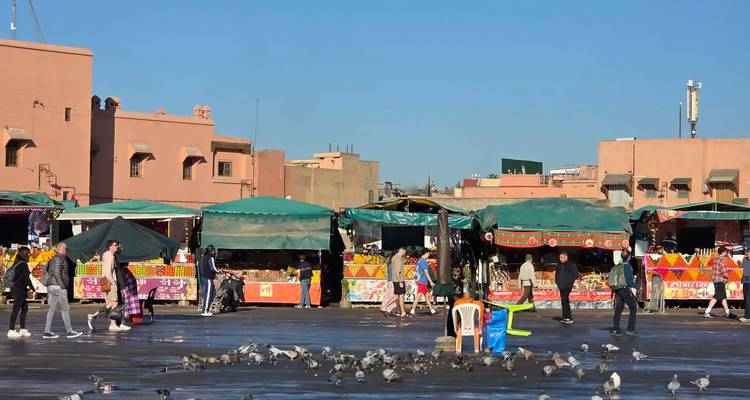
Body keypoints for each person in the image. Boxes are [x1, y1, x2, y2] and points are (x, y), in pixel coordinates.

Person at [43, 243, 82, 339]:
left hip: (53, 287)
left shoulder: (56, 258)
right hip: (58, 287)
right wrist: (63, 286)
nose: (66, 251)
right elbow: (57, 273)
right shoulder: (58, 259)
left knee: (52, 310)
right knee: (65, 309)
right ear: (61, 249)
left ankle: (47, 332)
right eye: (66, 249)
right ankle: (69, 331)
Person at [88, 240, 128, 332]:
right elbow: (108, 271)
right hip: (110, 281)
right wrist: (112, 283)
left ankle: (93, 317)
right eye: (115, 245)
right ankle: (113, 324)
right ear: (110, 246)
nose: (117, 246)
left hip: (106, 281)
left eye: (117, 245)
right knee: (115, 302)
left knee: (110, 304)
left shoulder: (107, 255)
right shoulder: (110, 256)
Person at [8, 246, 34, 338]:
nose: (29, 255)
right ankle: (11, 330)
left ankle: (22, 329)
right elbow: (26, 278)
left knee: (25, 308)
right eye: (28, 253)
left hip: (17, 288)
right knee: (16, 309)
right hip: (19, 289)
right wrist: (32, 288)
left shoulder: (17, 263)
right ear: (24, 254)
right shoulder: (23, 264)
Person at [610, 249, 638, 336]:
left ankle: (616, 329)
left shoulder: (618, 265)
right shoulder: (627, 267)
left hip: (617, 289)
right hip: (625, 289)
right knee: (633, 307)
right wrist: (637, 286)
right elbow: (629, 281)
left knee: (618, 309)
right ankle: (630, 329)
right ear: (629, 257)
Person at [705, 246, 732, 319]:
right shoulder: (722, 260)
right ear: (724, 252)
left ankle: (727, 312)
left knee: (723, 297)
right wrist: (728, 277)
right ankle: (707, 311)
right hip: (720, 280)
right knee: (716, 296)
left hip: (715, 279)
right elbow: (723, 271)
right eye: (726, 252)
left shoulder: (715, 259)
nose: (726, 253)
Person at [409, 248, 437, 316]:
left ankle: (432, 310)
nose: (429, 255)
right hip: (423, 281)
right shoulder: (423, 261)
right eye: (429, 253)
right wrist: (431, 282)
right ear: (426, 253)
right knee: (418, 296)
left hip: (420, 281)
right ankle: (412, 311)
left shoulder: (419, 261)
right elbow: (426, 272)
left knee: (426, 296)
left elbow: (415, 271)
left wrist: (416, 280)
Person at [555, 251, 579, 324]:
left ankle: (568, 317)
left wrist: (569, 281)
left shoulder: (571, 265)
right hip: (561, 285)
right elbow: (557, 274)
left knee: (564, 300)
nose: (560, 259)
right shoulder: (559, 265)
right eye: (560, 257)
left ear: (566, 257)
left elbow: (575, 274)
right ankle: (565, 316)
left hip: (567, 285)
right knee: (564, 301)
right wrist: (557, 282)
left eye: (562, 257)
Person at [201, 245, 218, 316]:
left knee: (213, 292)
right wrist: (219, 271)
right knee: (208, 294)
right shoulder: (210, 258)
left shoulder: (204, 257)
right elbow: (213, 268)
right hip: (208, 278)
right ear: (212, 251)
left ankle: (207, 308)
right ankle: (205, 310)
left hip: (205, 277)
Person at [391, 248, 408, 318]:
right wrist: (400, 281)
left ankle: (399, 310)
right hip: (399, 280)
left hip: (395, 280)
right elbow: (397, 272)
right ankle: (403, 312)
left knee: (397, 296)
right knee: (401, 296)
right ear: (402, 251)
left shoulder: (394, 257)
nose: (405, 254)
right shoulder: (398, 259)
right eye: (405, 252)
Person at [740, 248, 750, 323]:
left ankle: (747, 317)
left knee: (748, 300)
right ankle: (747, 315)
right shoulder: (744, 259)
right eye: (747, 254)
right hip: (745, 282)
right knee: (746, 299)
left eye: (749, 254)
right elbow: (742, 267)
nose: (748, 255)